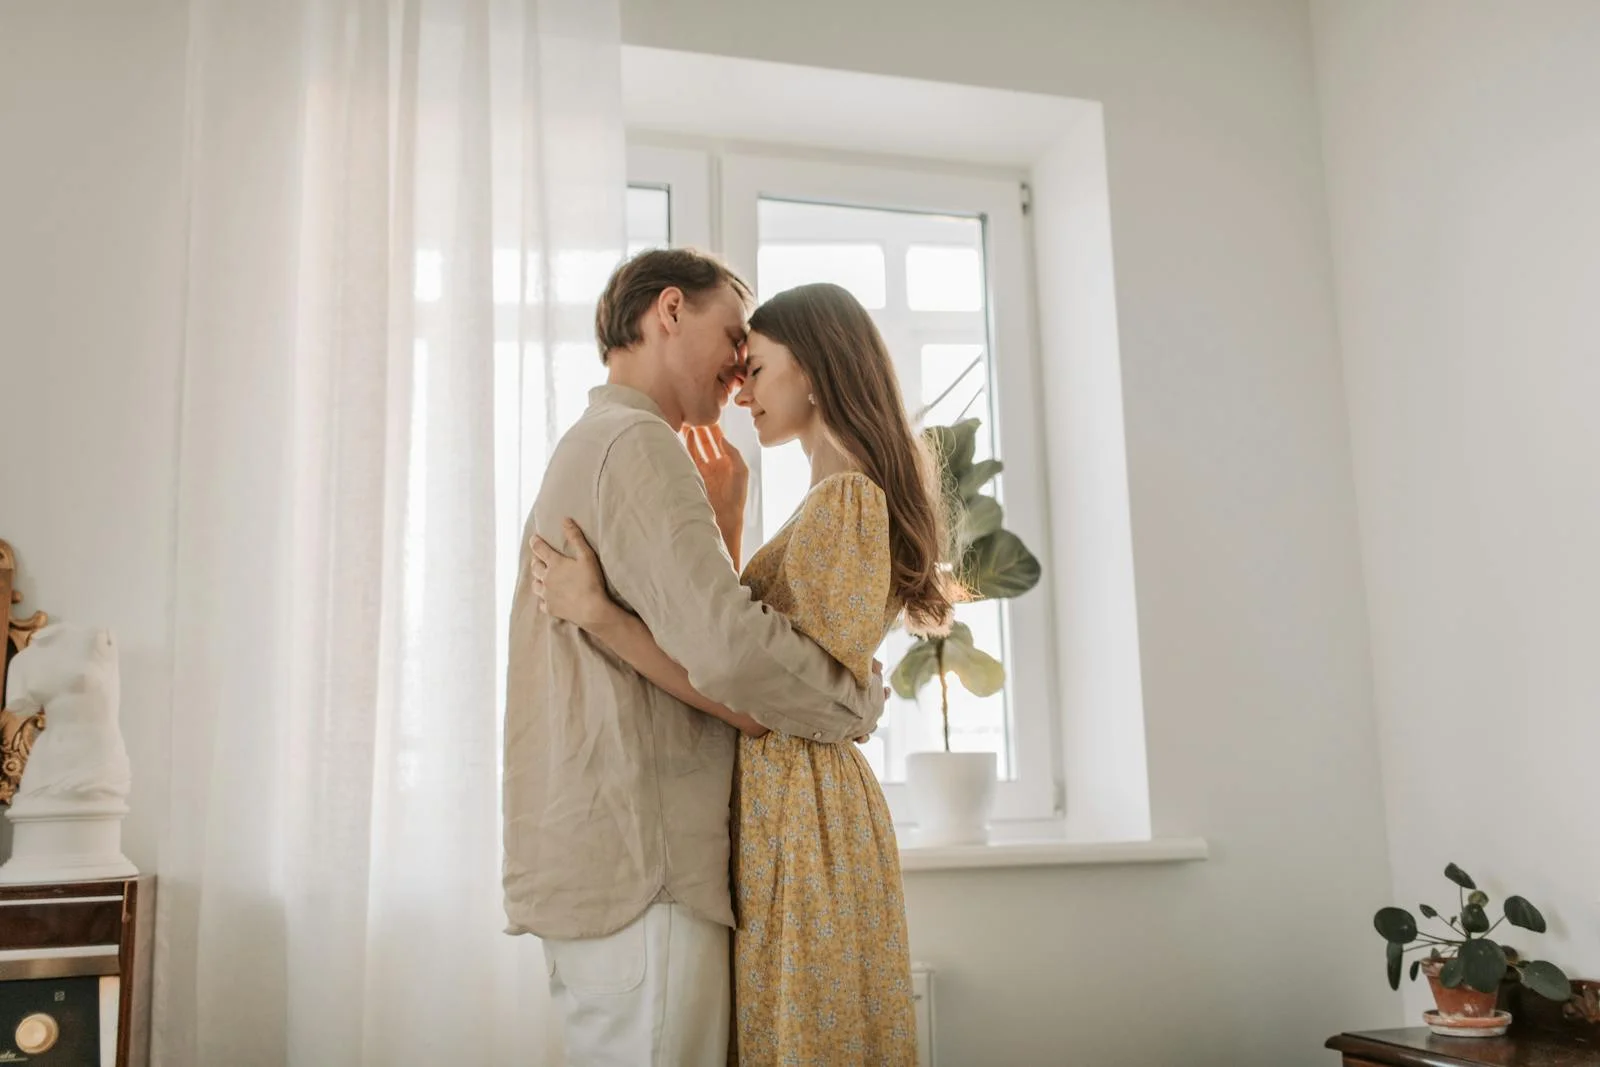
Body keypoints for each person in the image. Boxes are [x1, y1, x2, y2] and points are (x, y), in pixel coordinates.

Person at [532, 281, 949, 1066]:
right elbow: (771, 663)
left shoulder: (845, 501)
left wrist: (603, 615)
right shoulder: (827, 500)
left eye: (756, 366)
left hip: (805, 813)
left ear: (817, 371)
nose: (740, 388)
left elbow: (761, 689)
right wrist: (729, 519)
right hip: (787, 805)